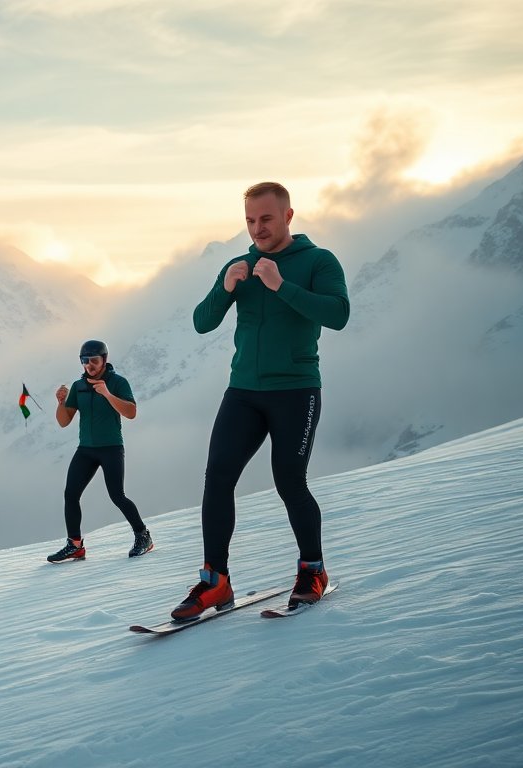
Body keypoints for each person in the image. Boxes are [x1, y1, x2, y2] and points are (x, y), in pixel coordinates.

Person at [170, 181, 350, 621]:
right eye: (250, 220)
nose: (257, 228)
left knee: (289, 480)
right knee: (217, 479)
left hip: (296, 390)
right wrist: (225, 288)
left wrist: (281, 286)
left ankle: (313, 571)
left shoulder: (318, 261)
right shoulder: (241, 264)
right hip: (244, 393)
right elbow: (201, 323)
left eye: (266, 219)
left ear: (288, 216)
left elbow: (338, 315)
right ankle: (216, 582)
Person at [46, 340, 152, 562]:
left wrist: (107, 394)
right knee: (70, 494)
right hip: (85, 449)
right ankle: (75, 545)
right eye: (85, 361)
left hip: (111, 448)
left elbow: (131, 412)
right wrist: (61, 402)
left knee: (117, 495)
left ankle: (143, 536)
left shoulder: (118, 382)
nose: (89, 365)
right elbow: (64, 421)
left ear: (105, 359)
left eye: (93, 360)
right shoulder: (79, 386)